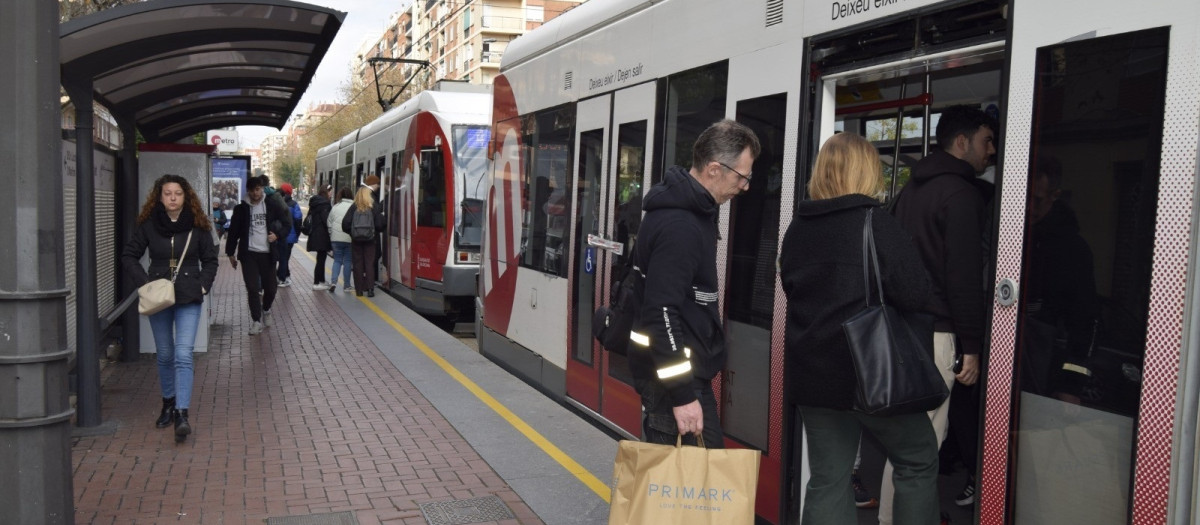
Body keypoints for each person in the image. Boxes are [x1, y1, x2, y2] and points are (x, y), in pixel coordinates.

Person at [779, 133, 936, 524]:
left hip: (814, 376)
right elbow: (916, 293)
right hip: (872, 372)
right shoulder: (875, 223)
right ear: (867, 172)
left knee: (829, 478)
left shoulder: (798, 228)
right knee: (917, 460)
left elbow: (791, 288)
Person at [882, 105, 995, 521]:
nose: (992, 151)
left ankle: (893, 514)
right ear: (961, 143)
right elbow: (963, 278)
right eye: (986, 141)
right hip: (940, 334)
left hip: (904, 330)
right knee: (925, 445)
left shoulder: (908, 192)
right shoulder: (962, 195)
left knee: (905, 440)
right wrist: (972, 345)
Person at [628, 119, 760, 448]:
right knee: (685, 491)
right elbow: (661, 313)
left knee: (688, 489)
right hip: (675, 384)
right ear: (715, 169)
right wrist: (683, 396)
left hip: (681, 377)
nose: (745, 187)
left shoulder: (692, 212)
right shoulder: (681, 225)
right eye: (742, 177)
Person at [122, 174, 218, 442]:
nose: (173, 198)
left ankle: (181, 413)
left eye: (178, 193)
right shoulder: (149, 225)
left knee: (184, 354)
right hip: (158, 296)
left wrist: (203, 286)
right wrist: (145, 284)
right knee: (164, 354)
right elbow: (129, 255)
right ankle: (167, 401)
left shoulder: (199, 226)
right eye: (167, 193)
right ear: (159, 196)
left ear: (186, 196)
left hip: (189, 296)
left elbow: (211, 260)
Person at [225, 175, 291, 335]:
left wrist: (277, 235)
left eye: (258, 189)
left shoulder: (272, 205)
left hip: (267, 253)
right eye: (252, 190)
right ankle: (256, 321)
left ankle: (266, 309)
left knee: (271, 289)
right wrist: (230, 253)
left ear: (262, 189)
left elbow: (287, 223)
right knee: (252, 288)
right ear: (248, 190)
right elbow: (233, 232)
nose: (256, 193)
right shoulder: (241, 209)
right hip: (249, 255)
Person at [341, 185, 385, 297]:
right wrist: (374, 231)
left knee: (357, 264)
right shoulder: (373, 207)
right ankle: (370, 289)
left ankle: (359, 290)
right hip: (370, 240)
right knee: (369, 264)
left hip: (356, 241)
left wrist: (353, 233)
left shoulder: (354, 207)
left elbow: (345, 224)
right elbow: (381, 224)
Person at [327, 187, 355, 293]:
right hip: (349, 238)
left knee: (337, 260)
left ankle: (333, 282)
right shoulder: (354, 207)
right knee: (347, 261)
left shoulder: (335, 207)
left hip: (335, 239)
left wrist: (331, 234)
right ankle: (347, 285)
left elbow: (329, 222)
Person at [306, 185, 334, 290]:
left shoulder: (315, 203)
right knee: (321, 260)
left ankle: (321, 280)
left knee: (320, 258)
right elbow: (327, 221)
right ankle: (317, 282)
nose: (331, 194)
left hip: (315, 235)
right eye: (330, 192)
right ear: (326, 192)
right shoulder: (325, 204)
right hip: (322, 236)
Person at [275, 182, 303, 287]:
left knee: (280, 256)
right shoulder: (294, 204)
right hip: (290, 236)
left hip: (277, 234)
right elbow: (298, 219)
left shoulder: (276, 202)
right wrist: (297, 233)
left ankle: (283, 275)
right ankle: (282, 277)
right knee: (285, 257)